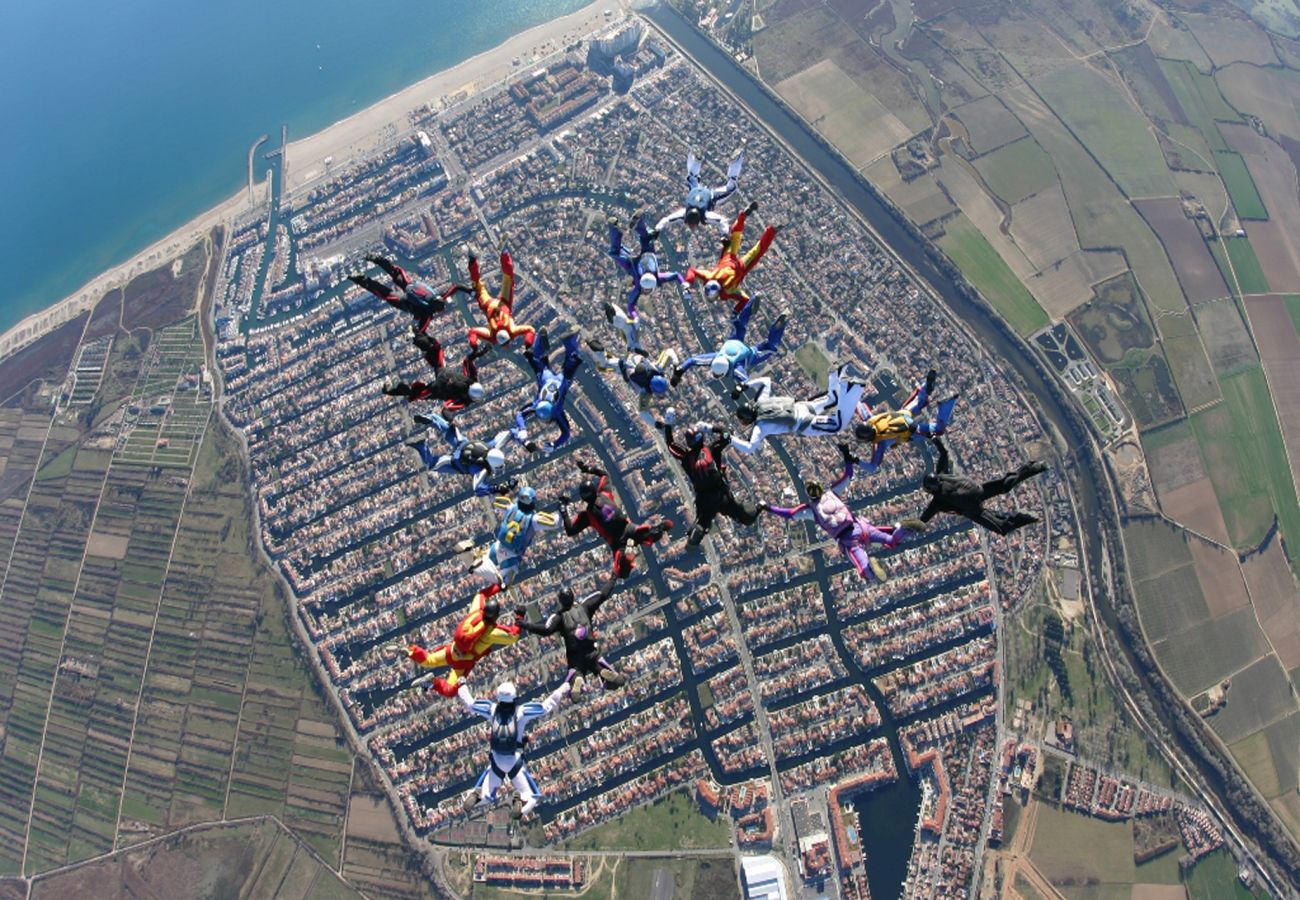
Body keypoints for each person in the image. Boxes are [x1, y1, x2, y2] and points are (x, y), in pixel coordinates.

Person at [764, 444, 926, 581]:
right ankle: (903, 528)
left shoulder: (810, 510)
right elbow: (848, 475)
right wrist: (846, 455)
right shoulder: (833, 492)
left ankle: (871, 565)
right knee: (891, 541)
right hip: (861, 526)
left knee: (864, 571)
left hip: (849, 539)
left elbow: (789, 513)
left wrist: (767, 507)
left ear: (809, 495)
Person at [457, 677, 571, 820]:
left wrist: (462, 685)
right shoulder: (521, 712)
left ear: (498, 696)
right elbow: (545, 707)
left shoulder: (491, 709)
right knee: (533, 797)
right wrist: (563, 688)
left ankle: (477, 795)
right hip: (514, 759)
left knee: (488, 795)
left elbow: (470, 704)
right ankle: (519, 804)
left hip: (496, 759)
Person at [657, 413, 761, 546]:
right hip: (720, 493)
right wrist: (711, 428)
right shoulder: (711, 449)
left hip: (703, 497)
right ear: (701, 438)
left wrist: (668, 425)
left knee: (702, 521)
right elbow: (727, 434)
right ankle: (758, 508)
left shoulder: (686, 457)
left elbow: (670, 445)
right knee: (742, 515)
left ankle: (696, 534)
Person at [559, 459, 673, 579]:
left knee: (622, 572)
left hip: (618, 541)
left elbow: (570, 530)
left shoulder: (588, 516)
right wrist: (587, 469)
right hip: (628, 528)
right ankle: (652, 531)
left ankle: (628, 558)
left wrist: (563, 510)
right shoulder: (605, 493)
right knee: (637, 537)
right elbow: (605, 474)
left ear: (583, 498)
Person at [918, 438, 1049, 535]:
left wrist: (901, 529)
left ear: (930, 489)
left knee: (1002, 528)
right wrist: (934, 437)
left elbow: (922, 521)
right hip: (977, 491)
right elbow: (944, 453)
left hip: (972, 509)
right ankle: (1035, 467)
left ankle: (1024, 518)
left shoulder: (938, 502)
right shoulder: (942, 474)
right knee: (1005, 485)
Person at [728, 365, 869, 454]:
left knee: (838, 425)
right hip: (802, 406)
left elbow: (749, 448)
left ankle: (851, 387)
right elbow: (766, 381)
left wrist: (729, 439)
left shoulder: (761, 427)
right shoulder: (760, 401)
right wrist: (743, 386)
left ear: (747, 419)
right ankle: (834, 376)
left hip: (804, 423)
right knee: (833, 399)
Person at [518, 576, 627, 688]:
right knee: (596, 665)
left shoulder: (559, 617)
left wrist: (526, 625)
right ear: (573, 596)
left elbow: (546, 629)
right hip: (591, 650)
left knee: (576, 670)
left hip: (575, 655)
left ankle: (577, 678)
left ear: (560, 601)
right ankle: (601, 670)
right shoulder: (585, 607)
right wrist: (613, 578)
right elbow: (602, 594)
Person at [404, 592, 521, 696]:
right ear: (495, 616)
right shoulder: (492, 632)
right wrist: (520, 617)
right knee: (449, 690)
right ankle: (432, 684)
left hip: (453, 649)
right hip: (463, 662)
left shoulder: (476, 612)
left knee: (429, 660)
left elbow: (480, 595)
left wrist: (498, 587)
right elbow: (513, 637)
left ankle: (411, 651)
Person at [460, 485, 561, 598]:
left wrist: (502, 490)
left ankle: (470, 556)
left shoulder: (510, 506)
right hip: (512, 555)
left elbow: (494, 501)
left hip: (498, 546)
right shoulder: (534, 519)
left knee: (475, 563)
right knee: (504, 584)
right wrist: (562, 509)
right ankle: (492, 574)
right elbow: (556, 523)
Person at [853, 370, 959, 472]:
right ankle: (926, 387)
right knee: (919, 401)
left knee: (939, 429)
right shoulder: (870, 419)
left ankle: (946, 404)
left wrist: (856, 461)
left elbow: (872, 468)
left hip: (911, 431)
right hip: (902, 415)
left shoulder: (880, 443)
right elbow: (857, 404)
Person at [684, 203, 778, 313]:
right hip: (728, 258)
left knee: (757, 251)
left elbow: (745, 299)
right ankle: (743, 215)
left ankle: (772, 230)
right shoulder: (709, 276)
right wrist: (688, 282)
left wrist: (736, 311)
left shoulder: (728, 290)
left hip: (740, 266)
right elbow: (692, 271)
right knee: (735, 234)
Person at [673, 298, 786, 386]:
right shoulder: (715, 358)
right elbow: (693, 360)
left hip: (748, 354)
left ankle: (779, 326)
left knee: (770, 347)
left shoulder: (735, 368)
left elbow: (745, 379)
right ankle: (752, 302)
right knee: (740, 325)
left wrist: (680, 371)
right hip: (734, 342)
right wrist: (679, 371)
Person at [348, 255, 464, 333]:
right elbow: (420, 328)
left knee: (394, 272)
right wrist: (413, 333)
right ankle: (361, 279)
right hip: (404, 302)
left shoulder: (439, 295)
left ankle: (375, 260)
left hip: (409, 287)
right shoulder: (427, 314)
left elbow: (455, 288)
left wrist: (468, 289)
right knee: (385, 293)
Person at [510, 329, 582, 454]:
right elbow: (519, 414)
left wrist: (555, 444)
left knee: (571, 361)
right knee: (537, 359)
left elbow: (566, 432)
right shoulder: (537, 405)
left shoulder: (556, 412)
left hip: (562, 382)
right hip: (546, 378)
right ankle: (541, 340)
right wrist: (522, 429)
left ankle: (569, 342)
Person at [407, 411, 512, 495]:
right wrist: (495, 489)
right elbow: (477, 489)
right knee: (432, 465)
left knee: (450, 430)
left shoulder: (491, 446)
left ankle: (433, 418)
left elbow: (506, 434)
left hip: (463, 444)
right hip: (455, 462)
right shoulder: (481, 470)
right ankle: (421, 446)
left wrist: (520, 436)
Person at [383, 332, 485, 415]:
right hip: (438, 388)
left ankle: (415, 338)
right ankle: (394, 387)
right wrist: (448, 419)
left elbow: (468, 362)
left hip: (444, 373)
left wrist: (479, 353)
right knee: (416, 393)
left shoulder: (472, 380)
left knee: (436, 351)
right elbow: (448, 408)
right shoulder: (465, 399)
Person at [607, 213, 685, 319]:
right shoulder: (643, 286)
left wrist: (684, 284)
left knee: (647, 238)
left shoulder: (658, 278)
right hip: (633, 264)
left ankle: (636, 225)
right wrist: (634, 316)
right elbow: (630, 305)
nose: (645, 292)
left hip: (640, 259)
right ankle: (616, 229)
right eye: (647, 290)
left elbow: (676, 275)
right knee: (616, 252)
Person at [653, 148, 745, 235]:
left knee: (731, 188)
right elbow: (666, 220)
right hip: (695, 190)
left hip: (710, 195)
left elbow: (722, 221)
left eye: (691, 225)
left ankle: (698, 161)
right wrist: (657, 229)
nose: (690, 227)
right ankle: (697, 160)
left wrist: (724, 236)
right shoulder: (684, 213)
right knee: (691, 176)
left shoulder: (704, 216)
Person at [587, 329, 679, 415]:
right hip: (624, 365)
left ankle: (626, 331)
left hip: (635, 355)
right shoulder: (643, 390)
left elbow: (669, 351)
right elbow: (642, 412)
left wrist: (675, 363)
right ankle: (596, 348)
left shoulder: (657, 369)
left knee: (633, 336)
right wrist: (654, 423)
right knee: (604, 365)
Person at [465, 246, 536, 353]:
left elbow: (531, 330)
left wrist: (528, 345)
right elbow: (472, 332)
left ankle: (504, 254)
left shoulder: (511, 332)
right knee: (478, 285)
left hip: (502, 303)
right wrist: (474, 345)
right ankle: (472, 260)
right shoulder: (493, 337)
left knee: (508, 278)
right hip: (490, 305)